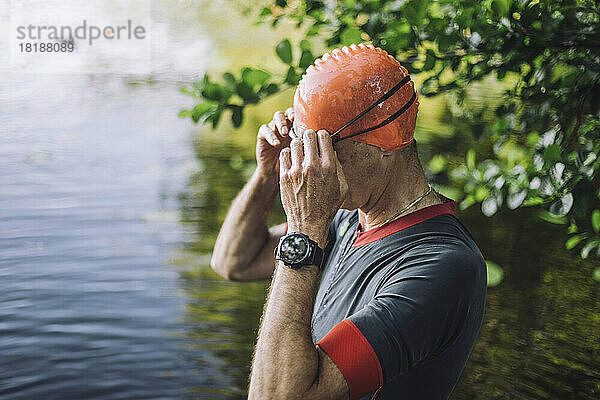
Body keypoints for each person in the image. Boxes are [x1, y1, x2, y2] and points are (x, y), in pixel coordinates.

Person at [211, 43, 487, 400]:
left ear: (386, 140)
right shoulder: (343, 220)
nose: (308, 163)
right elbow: (233, 261)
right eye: (301, 143)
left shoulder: (440, 266)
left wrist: (305, 231)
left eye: (323, 146)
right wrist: (267, 175)